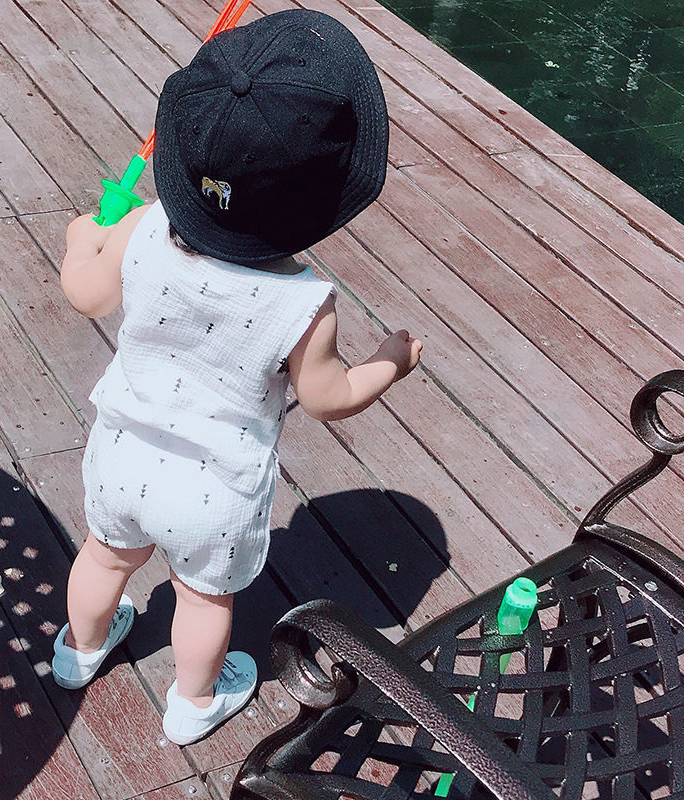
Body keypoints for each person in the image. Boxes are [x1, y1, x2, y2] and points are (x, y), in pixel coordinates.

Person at [51, 8, 421, 745]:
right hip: (214, 491)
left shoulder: (144, 225)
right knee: (202, 599)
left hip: (121, 454)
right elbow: (327, 397)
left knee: (104, 556)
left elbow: (86, 292)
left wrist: (81, 236)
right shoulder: (304, 302)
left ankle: (79, 651)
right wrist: (391, 361)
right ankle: (193, 702)